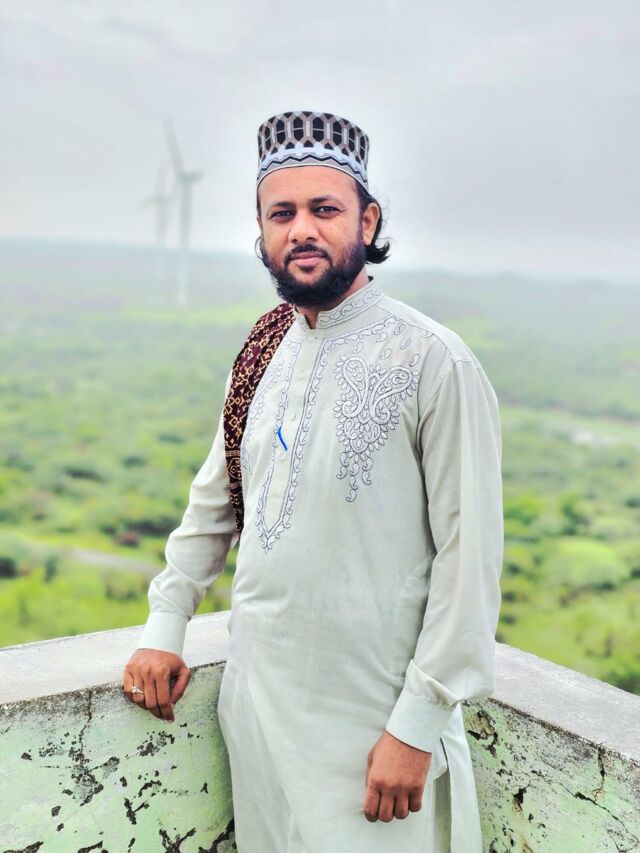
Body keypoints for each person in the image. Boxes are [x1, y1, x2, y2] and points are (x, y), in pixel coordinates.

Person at [123, 109, 504, 852]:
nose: (302, 229)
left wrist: (416, 727)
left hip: (375, 737)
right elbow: (213, 507)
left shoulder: (434, 360)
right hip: (257, 719)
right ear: (261, 230)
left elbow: (471, 560)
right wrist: (165, 627)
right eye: (282, 213)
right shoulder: (263, 352)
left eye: (324, 210)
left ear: (368, 220)